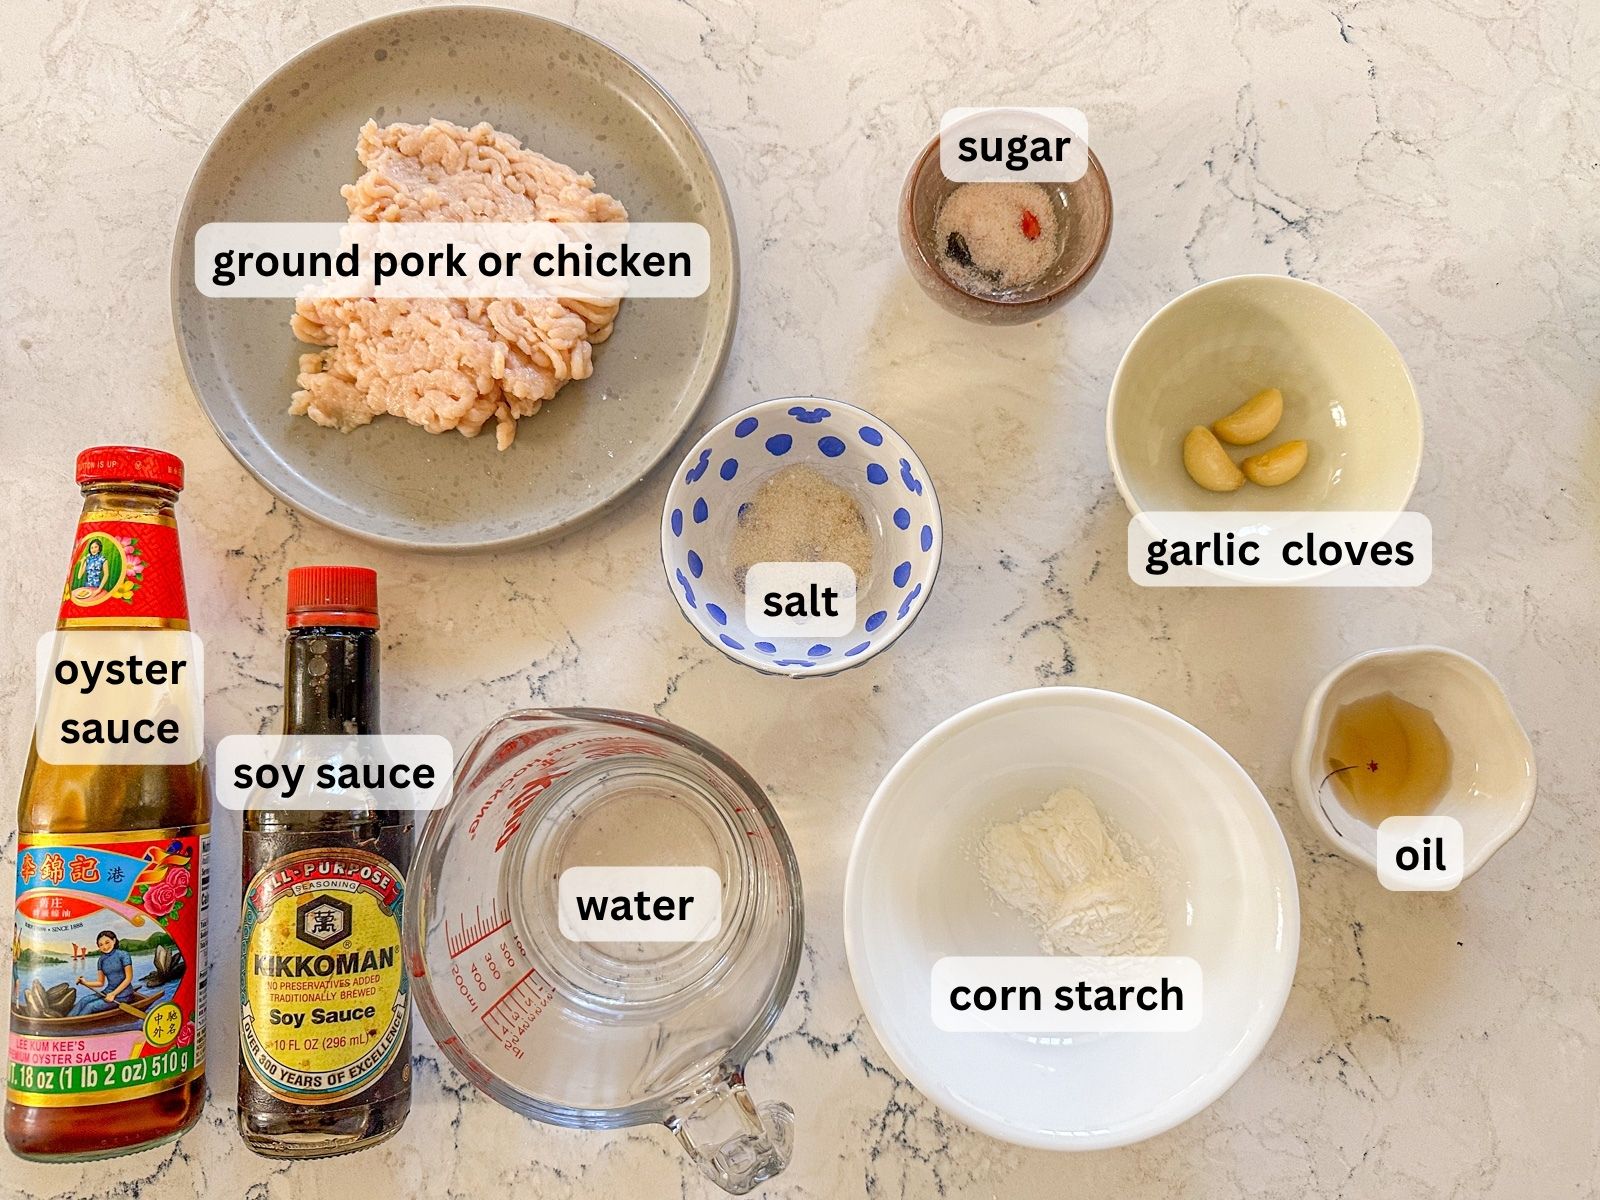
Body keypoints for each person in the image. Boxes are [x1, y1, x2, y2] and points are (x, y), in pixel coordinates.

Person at [70, 931, 134, 1016]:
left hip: (124, 994)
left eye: (107, 942)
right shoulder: (101, 960)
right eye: (101, 945)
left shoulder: (123, 955)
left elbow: (128, 978)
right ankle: (64, 1022)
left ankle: (75, 1025)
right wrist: (84, 982)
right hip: (107, 992)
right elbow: (100, 982)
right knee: (84, 1000)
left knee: (90, 1006)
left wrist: (113, 994)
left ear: (114, 941)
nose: (105, 947)